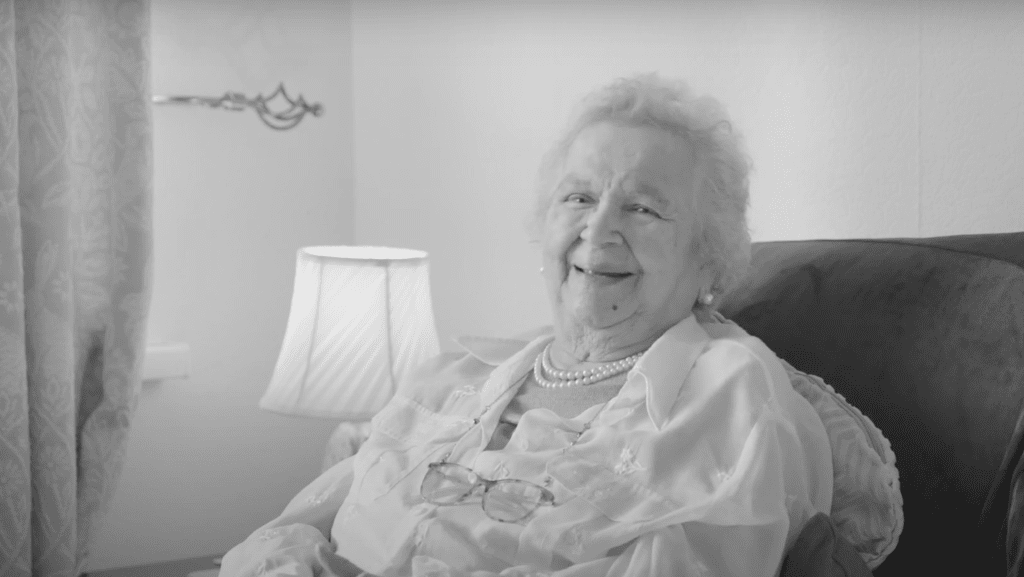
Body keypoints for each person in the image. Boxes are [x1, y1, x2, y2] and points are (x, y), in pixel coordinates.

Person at [219, 73, 833, 577]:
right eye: (579, 198)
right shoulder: (455, 378)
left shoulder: (730, 392)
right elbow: (293, 529)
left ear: (709, 256)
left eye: (642, 207)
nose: (598, 230)